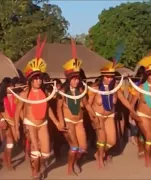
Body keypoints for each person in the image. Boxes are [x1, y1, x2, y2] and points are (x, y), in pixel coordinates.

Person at [12, 34, 66, 180]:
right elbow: (17, 112)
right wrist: (16, 127)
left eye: (40, 78)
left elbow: (47, 108)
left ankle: (39, 166)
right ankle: (34, 173)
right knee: (35, 151)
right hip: (30, 124)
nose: (38, 80)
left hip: (43, 123)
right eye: (35, 78)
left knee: (46, 152)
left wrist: (56, 122)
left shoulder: (45, 92)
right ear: (30, 80)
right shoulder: (24, 94)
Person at [56, 40, 98, 175]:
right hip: (68, 122)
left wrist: (93, 115)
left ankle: (75, 162)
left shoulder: (80, 91)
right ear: (68, 79)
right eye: (74, 78)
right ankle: (70, 168)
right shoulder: (62, 91)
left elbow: (86, 104)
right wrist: (60, 121)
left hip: (79, 121)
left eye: (77, 78)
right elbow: (58, 107)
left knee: (83, 148)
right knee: (74, 147)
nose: (76, 80)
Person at [87, 59, 138, 169]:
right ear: (102, 77)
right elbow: (89, 105)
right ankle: (100, 157)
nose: (109, 79)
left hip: (110, 116)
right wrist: (92, 118)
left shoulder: (115, 88)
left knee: (112, 141)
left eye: (111, 77)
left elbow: (123, 99)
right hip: (98, 116)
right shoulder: (95, 88)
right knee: (102, 138)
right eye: (107, 77)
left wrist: (132, 110)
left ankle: (99, 153)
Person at [0, 77, 16, 169]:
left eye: (12, 86)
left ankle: (5, 156)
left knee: (11, 143)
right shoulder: (0, 99)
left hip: (14, 122)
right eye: (9, 86)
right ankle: (8, 161)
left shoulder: (16, 96)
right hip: (6, 122)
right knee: (10, 142)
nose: (11, 88)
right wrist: (2, 120)